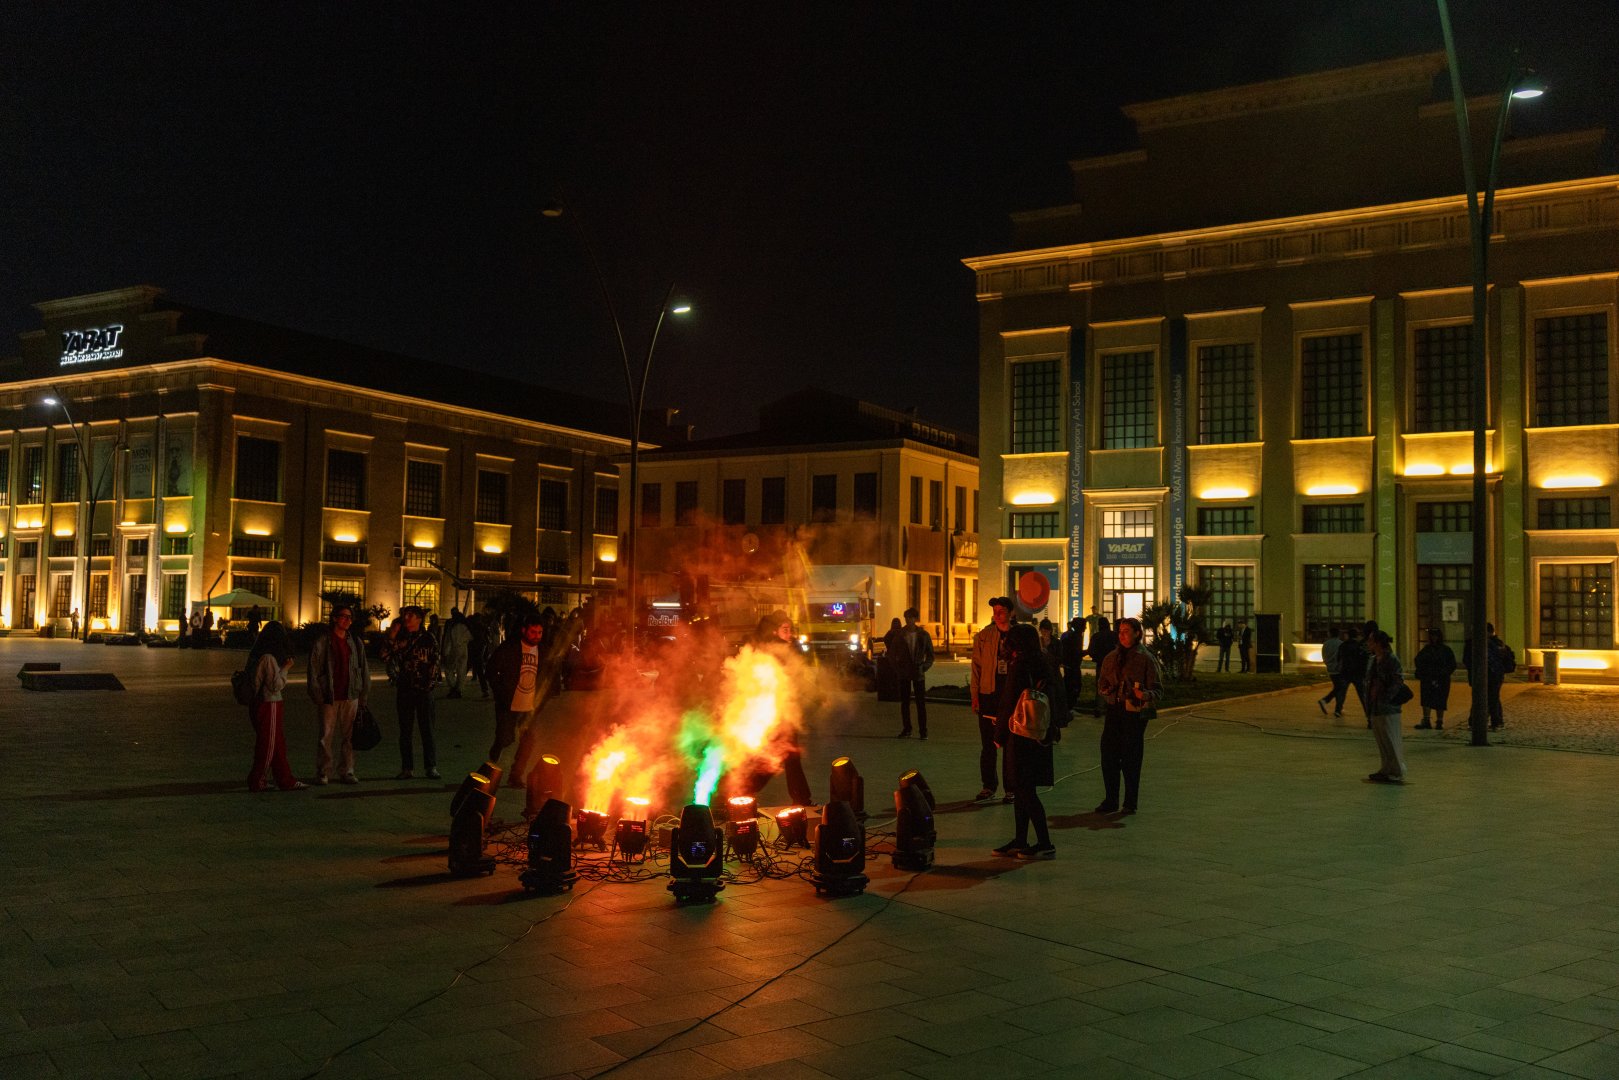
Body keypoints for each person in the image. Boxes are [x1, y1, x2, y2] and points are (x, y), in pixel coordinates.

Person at [991, 622, 1056, 859]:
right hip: (1037, 732)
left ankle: (1045, 843)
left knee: (1025, 789)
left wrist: (998, 735)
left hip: (1019, 734)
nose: (1005, 643)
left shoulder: (1020, 665)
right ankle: (1020, 840)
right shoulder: (1043, 661)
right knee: (1022, 788)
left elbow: (1008, 702)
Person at [746, 611, 814, 806]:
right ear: (775, 631)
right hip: (777, 715)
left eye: (790, 629)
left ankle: (800, 797)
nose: (789, 633)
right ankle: (745, 790)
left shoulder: (784, 650)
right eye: (785, 630)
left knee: (783, 756)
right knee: (778, 756)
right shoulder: (773, 652)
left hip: (784, 713)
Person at [1095, 616, 1161, 814]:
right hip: (1114, 711)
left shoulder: (1146, 658)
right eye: (1120, 631)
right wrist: (1105, 689)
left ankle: (1130, 802)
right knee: (1109, 755)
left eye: (1126, 631)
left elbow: (1158, 690)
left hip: (1134, 713)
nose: (1122, 634)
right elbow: (1102, 682)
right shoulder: (1111, 658)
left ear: (1137, 633)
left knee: (1131, 758)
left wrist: (1145, 694)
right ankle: (1111, 799)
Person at [307, 604, 368, 785]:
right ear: (334, 618)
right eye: (344, 616)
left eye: (350, 617)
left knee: (349, 736)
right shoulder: (324, 641)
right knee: (326, 735)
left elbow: (363, 669)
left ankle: (347, 770)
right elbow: (314, 668)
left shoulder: (354, 642)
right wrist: (316, 692)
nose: (348, 620)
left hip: (351, 695)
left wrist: (364, 693)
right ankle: (323, 772)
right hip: (330, 695)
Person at [245, 621, 305, 792]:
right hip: (269, 703)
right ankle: (258, 780)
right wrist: (286, 668)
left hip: (260, 703)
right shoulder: (269, 658)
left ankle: (285, 779)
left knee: (277, 743)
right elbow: (275, 685)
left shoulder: (256, 654)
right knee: (268, 745)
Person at [485, 613, 545, 781]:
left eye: (540, 632)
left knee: (528, 742)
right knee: (504, 739)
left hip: (530, 706)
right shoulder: (510, 648)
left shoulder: (542, 650)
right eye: (533, 632)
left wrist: (545, 696)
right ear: (524, 630)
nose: (537, 636)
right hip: (508, 704)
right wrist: (500, 691)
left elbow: (547, 674)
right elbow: (490, 670)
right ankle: (491, 771)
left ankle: (516, 775)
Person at [384, 606, 441, 780]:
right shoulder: (401, 638)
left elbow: (435, 662)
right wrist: (392, 634)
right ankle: (407, 767)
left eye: (411, 615)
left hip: (424, 691)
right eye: (405, 615)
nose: (406, 618)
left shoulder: (428, 638)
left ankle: (431, 766)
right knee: (405, 730)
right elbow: (385, 655)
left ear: (419, 619)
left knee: (427, 729)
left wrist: (429, 685)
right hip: (405, 689)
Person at [970, 596, 1016, 802]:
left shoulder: (1019, 635)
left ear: (1011, 613)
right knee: (988, 744)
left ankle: (1012, 788)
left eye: (1001, 611)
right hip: (988, 696)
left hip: (1012, 698)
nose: (997, 615)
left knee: (1011, 745)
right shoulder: (984, 636)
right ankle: (988, 786)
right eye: (995, 611)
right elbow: (976, 669)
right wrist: (975, 696)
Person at [1365, 629, 1407, 782]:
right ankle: (1386, 767)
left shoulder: (1391, 660)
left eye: (1370, 640)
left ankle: (1396, 769)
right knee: (1382, 739)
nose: (1368, 643)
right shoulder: (1373, 659)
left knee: (1391, 738)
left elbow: (1397, 681)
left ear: (1377, 643)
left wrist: (1387, 697)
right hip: (1376, 705)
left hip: (1388, 706)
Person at [892, 607, 934, 739]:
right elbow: (892, 654)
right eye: (906, 618)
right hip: (904, 672)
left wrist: (923, 667)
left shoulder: (923, 635)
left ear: (915, 619)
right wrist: (898, 668)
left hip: (918, 673)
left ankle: (923, 731)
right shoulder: (900, 635)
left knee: (920, 703)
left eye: (910, 618)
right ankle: (907, 729)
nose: (908, 620)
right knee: (905, 703)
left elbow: (930, 655)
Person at [1463, 623, 1512, 731]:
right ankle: (1492, 722)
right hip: (1492, 675)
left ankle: (1488, 722)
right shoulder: (1497, 643)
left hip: (1491, 675)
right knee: (1490, 698)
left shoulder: (1491, 643)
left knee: (1488, 698)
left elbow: (1467, 659)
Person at [1414, 627, 1458, 730]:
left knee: (1440, 700)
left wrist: (1443, 673)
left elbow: (1452, 664)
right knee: (1427, 699)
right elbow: (1418, 660)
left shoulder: (1445, 650)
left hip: (1441, 678)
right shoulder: (1427, 649)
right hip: (1429, 678)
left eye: (1435, 636)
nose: (1434, 638)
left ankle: (1439, 721)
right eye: (1432, 636)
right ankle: (1427, 720)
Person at [1086, 616, 1117, 716]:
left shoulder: (1096, 636)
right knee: (1114, 685)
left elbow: (1091, 651)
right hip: (1115, 665)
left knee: (1101, 686)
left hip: (1101, 664)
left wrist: (1097, 656)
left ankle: (1100, 707)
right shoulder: (1114, 636)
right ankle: (1112, 706)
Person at [441, 608, 472, 699]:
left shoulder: (452, 627)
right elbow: (470, 637)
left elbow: (448, 641)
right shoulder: (465, 626)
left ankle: (453, 687)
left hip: (454, 650)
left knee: (449, 669)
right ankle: (459, 689)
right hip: (464, 649)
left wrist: (445, 652)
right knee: (462, 670)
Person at [1337, 628, 1367, 719]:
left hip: (1345, 672)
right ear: (1357, 635)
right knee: (1362, 695)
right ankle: (1368, 715)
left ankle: (1338, 710)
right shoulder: (1359, 646)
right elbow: (1363, 659)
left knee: (1342, 692)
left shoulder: (1343, 645)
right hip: (1357, 673)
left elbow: (1339, 658)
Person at [1317, 626, 1345, 716]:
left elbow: (1324, 657)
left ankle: (1338, 709)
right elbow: (1342, 657)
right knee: (1339, 688)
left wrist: (1328, 664)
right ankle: (1326, 700)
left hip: (1330, 669)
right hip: (1339, 670)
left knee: (1338, 688)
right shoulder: (1341, 644)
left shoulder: (1325, 644)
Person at [1059, 617, 1085, 704]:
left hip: (1071, 666)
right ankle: (1069, 706)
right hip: (1072, 667)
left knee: (1072, 685)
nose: (1085, 628)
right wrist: (1088, 651)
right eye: (1084, 626)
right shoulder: (1075, 637)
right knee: (1073, 686)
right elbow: (1076, 652)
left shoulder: (1074, 636)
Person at [468, 612, 492, 699]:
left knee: (470, 667)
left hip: (475, 649)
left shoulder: (473, 627)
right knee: (479, 669)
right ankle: (485, 689)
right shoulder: (482, 626)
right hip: (479, 649)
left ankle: (457, 688)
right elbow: (487, 638)